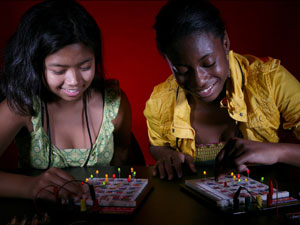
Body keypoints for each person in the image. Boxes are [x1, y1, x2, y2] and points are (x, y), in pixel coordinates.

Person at [144, 0, 300, 180]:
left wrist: (277, 152)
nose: (199, 81)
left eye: (208, 63)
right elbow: (156, 145)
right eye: (182, 71)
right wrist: (165, 155)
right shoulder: (160, 101)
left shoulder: (270, 80)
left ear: (225, 42)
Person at [0, 0, 132, 200]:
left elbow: (123, 154)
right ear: (35, 65)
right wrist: (31, 186)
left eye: (85, 66)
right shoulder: (21, 105)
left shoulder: (114, 103)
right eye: (59, 70)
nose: (74, 81)